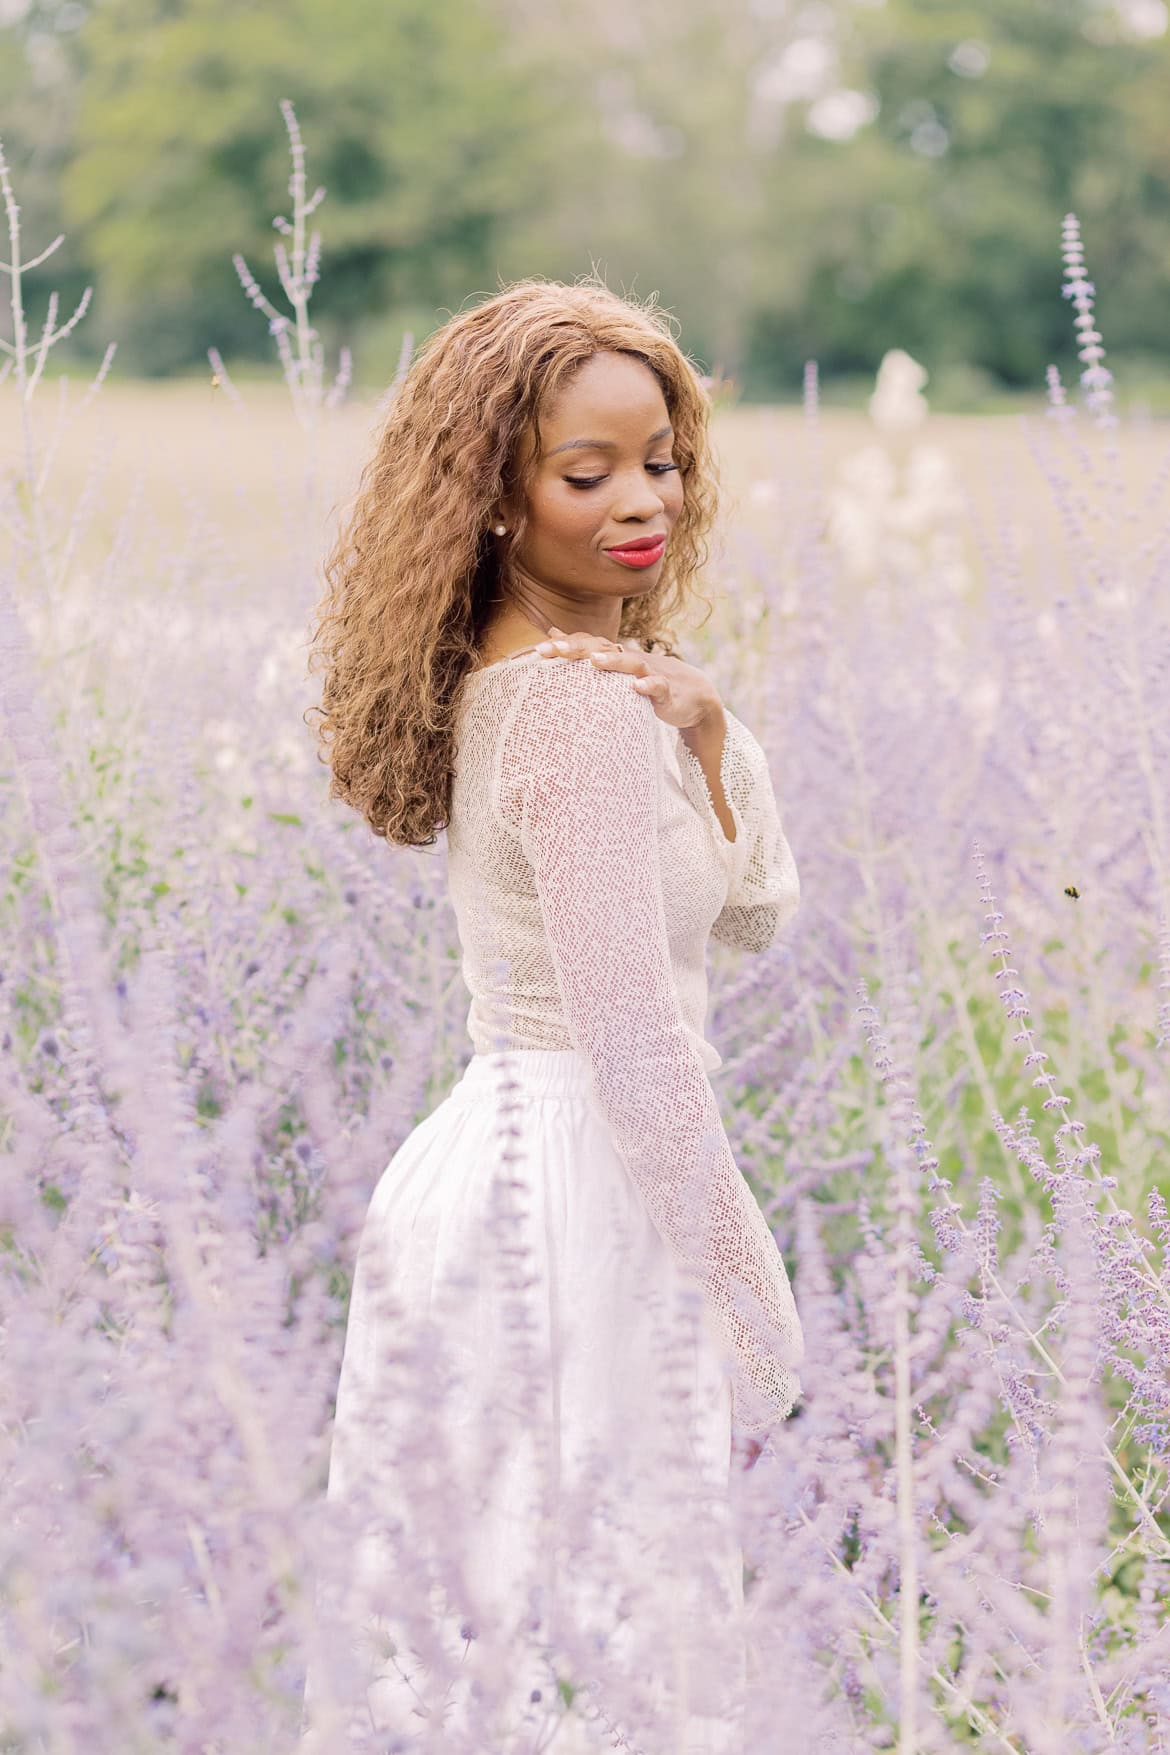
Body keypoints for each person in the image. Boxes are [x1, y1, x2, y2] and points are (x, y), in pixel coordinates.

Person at [301, 277, 805, 1754]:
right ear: (495, 499)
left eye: (658, 458)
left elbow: (751, 914)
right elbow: (638, 1049)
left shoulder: (565, 686)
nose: (639, 500)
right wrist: (753, 1303)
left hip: (519, 1168)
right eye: (585, 473)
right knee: (587, 1636)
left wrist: (712, 742)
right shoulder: (570, 713)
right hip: (577, 1187)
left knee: (487, 1632)